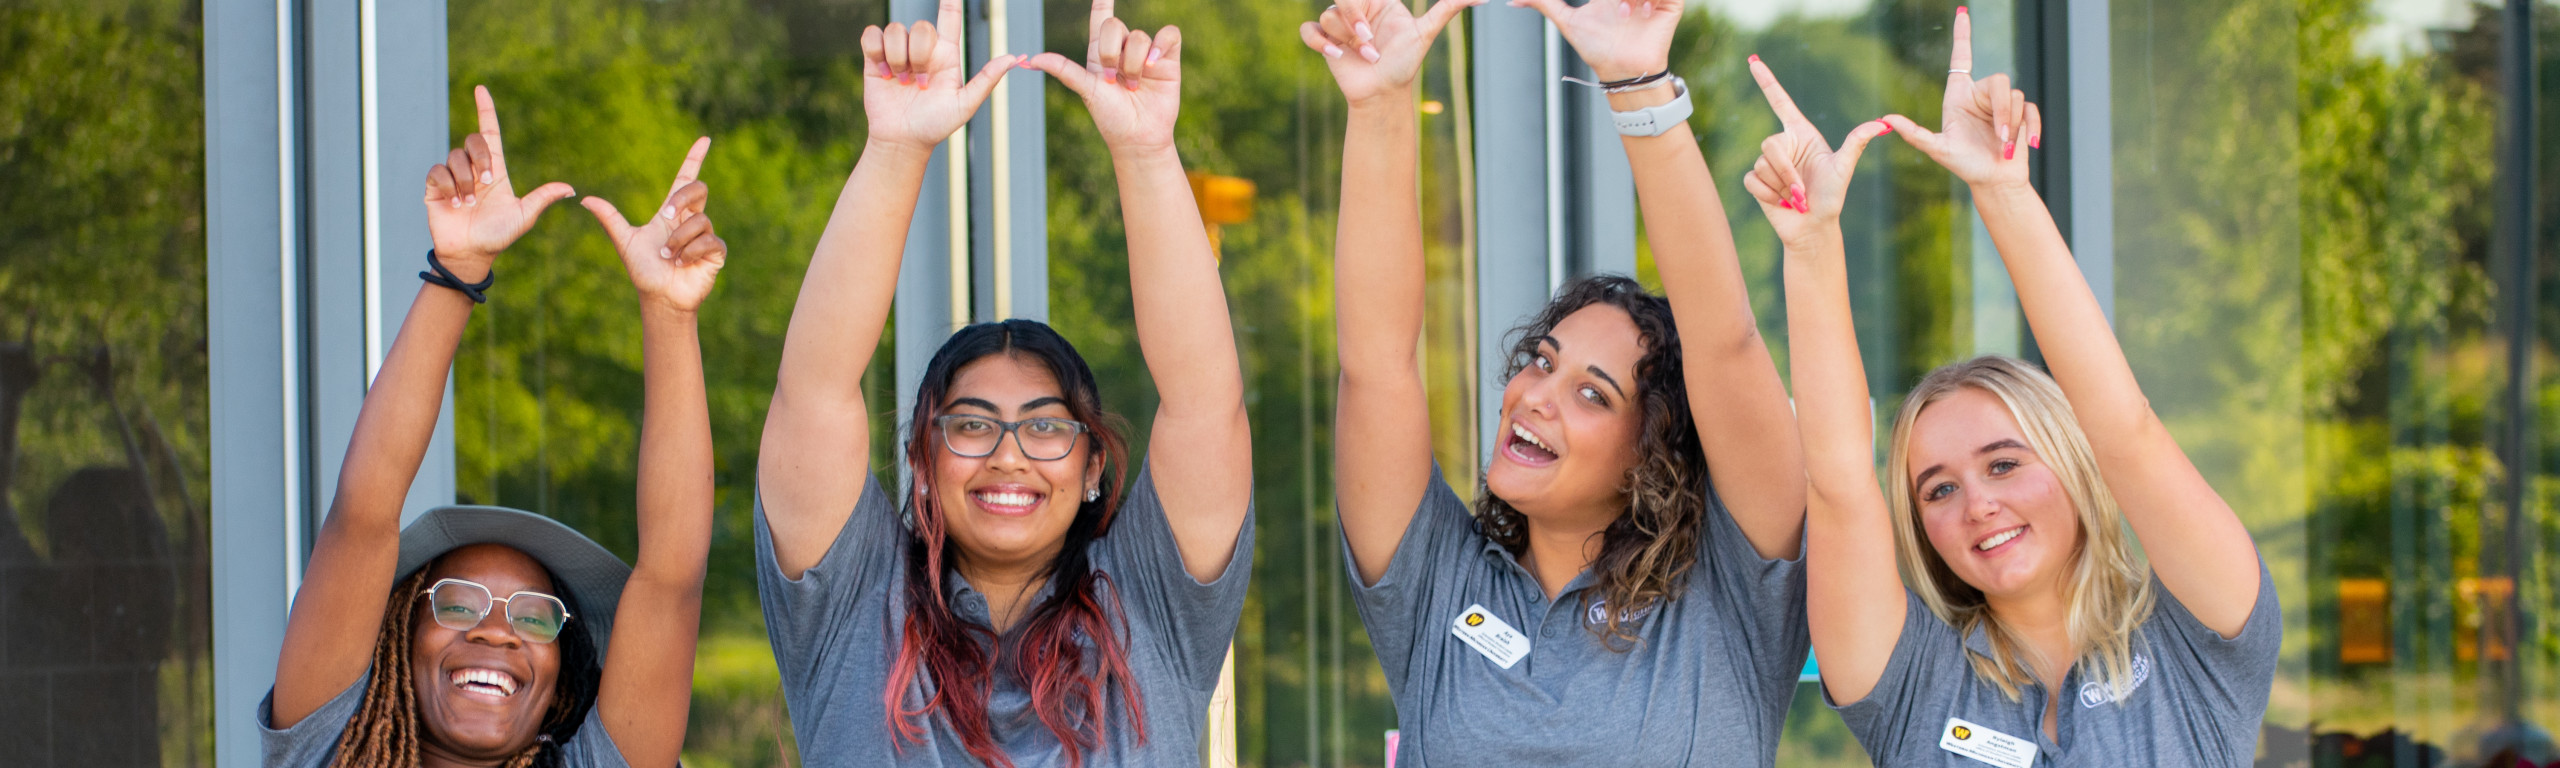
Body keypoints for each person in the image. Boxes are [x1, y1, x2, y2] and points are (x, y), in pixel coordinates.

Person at [1756, 9, 2279, 765]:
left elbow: (2124, 427)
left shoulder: (2203, 642)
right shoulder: (1912, 683)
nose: (1979, 504)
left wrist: (2002, 191)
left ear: (2072, 465)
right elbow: (1839, 484)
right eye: (1937, 490)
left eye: (2004, 463)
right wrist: (1810, 243)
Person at [1305, 0, 1811, 764]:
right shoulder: (1439, 584)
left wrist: (1638, 86)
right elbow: (1376, 364)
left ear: (1656, 455)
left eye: (1592, 393)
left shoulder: (1732, 597)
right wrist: (1379, 104)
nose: (1535, 394)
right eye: (1542, 360)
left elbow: (1728, 345)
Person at [751, 1, 1252, 765]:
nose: (1009, 456)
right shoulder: (855, 609)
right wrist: (895, 149)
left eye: (1046, 426)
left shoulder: (1151, 606)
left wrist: (1147, 154)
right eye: (972, 424)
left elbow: (1204, 404)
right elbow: (814, 390)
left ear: (1092, 468)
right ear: (922, 459)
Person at [261, 86, 728, 768]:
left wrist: (669, 311)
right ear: (398, 632)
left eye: (535, 616)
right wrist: (458, 268)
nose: (498, 632)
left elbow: (671, 579)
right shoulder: (330, 750)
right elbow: (364, 513)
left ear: (561, 674)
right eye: (456, 603)